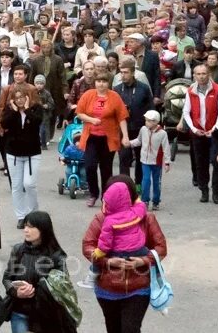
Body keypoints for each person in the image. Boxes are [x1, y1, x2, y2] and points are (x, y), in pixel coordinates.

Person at [81, 176, 168, 331]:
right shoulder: (102, 219)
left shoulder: (146, 218)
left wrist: (142, 261)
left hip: (138, 287)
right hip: (107, 288)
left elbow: (161, 248)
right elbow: (88, 245)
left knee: (130, 329)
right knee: (113, 328)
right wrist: (107, 262)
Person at [3, 210, 69, 333]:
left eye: (31, 226)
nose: (26, 230)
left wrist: (34, 290)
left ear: (43, 229)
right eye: (25, 226)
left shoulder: (56, 256)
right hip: (19, 311)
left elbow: (62, 287)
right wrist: (15, 292)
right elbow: (7, 278)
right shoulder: (18, 250)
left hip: (45, 315)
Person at [76, 71, 130, 207]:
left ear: (108, 83)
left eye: (104, 81)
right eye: (99, 81)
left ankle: (106, 197)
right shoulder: (88, 95)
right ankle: (93, 193)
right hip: (91, 137)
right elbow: (79, 113)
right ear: (95, 82)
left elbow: (122, 117)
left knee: (106, 169)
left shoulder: (114, 97)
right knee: (90, 166)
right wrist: (91, 120)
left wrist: (125, 136)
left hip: (108, 138)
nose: (101, 84)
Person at [182, 63, 218, 204]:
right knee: (201, 163)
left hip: (214, 132)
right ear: (194, 76)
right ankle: (204, 190)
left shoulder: (217, 90)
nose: (201, 77)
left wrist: (214, 128)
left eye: (204, 74)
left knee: (216, 161)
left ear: (209, 75)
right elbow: (186, 112)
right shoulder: (190, 91)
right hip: (198, 132)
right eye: (198, 74)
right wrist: (194, 129)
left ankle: (216, 191)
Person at [1, 86, 44, 228]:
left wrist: (26, 110)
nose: (19, 100)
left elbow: (37, 122)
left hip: (32, 153)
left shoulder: (35, 108)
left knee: (29, 184)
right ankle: (21, 216)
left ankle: (33, 214)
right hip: (13, 153)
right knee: (17, 186)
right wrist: (14, 111)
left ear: (28, 97)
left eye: (22, 97)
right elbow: (4, 124)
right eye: (16, 98)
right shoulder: (10, 110)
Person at [128, 109, 171, 210]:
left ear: (155, 122)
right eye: (146, 120)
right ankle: (145, 200)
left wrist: (167, 162)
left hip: (156, 162)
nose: (146, 122)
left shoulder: (162, 133)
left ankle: (156, 201)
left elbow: (166, 148)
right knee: (146, 180)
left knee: (157, 182)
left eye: (148, 120)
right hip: (145, 161)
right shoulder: (143, 129)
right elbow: (139, 141)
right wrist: (129, 143)